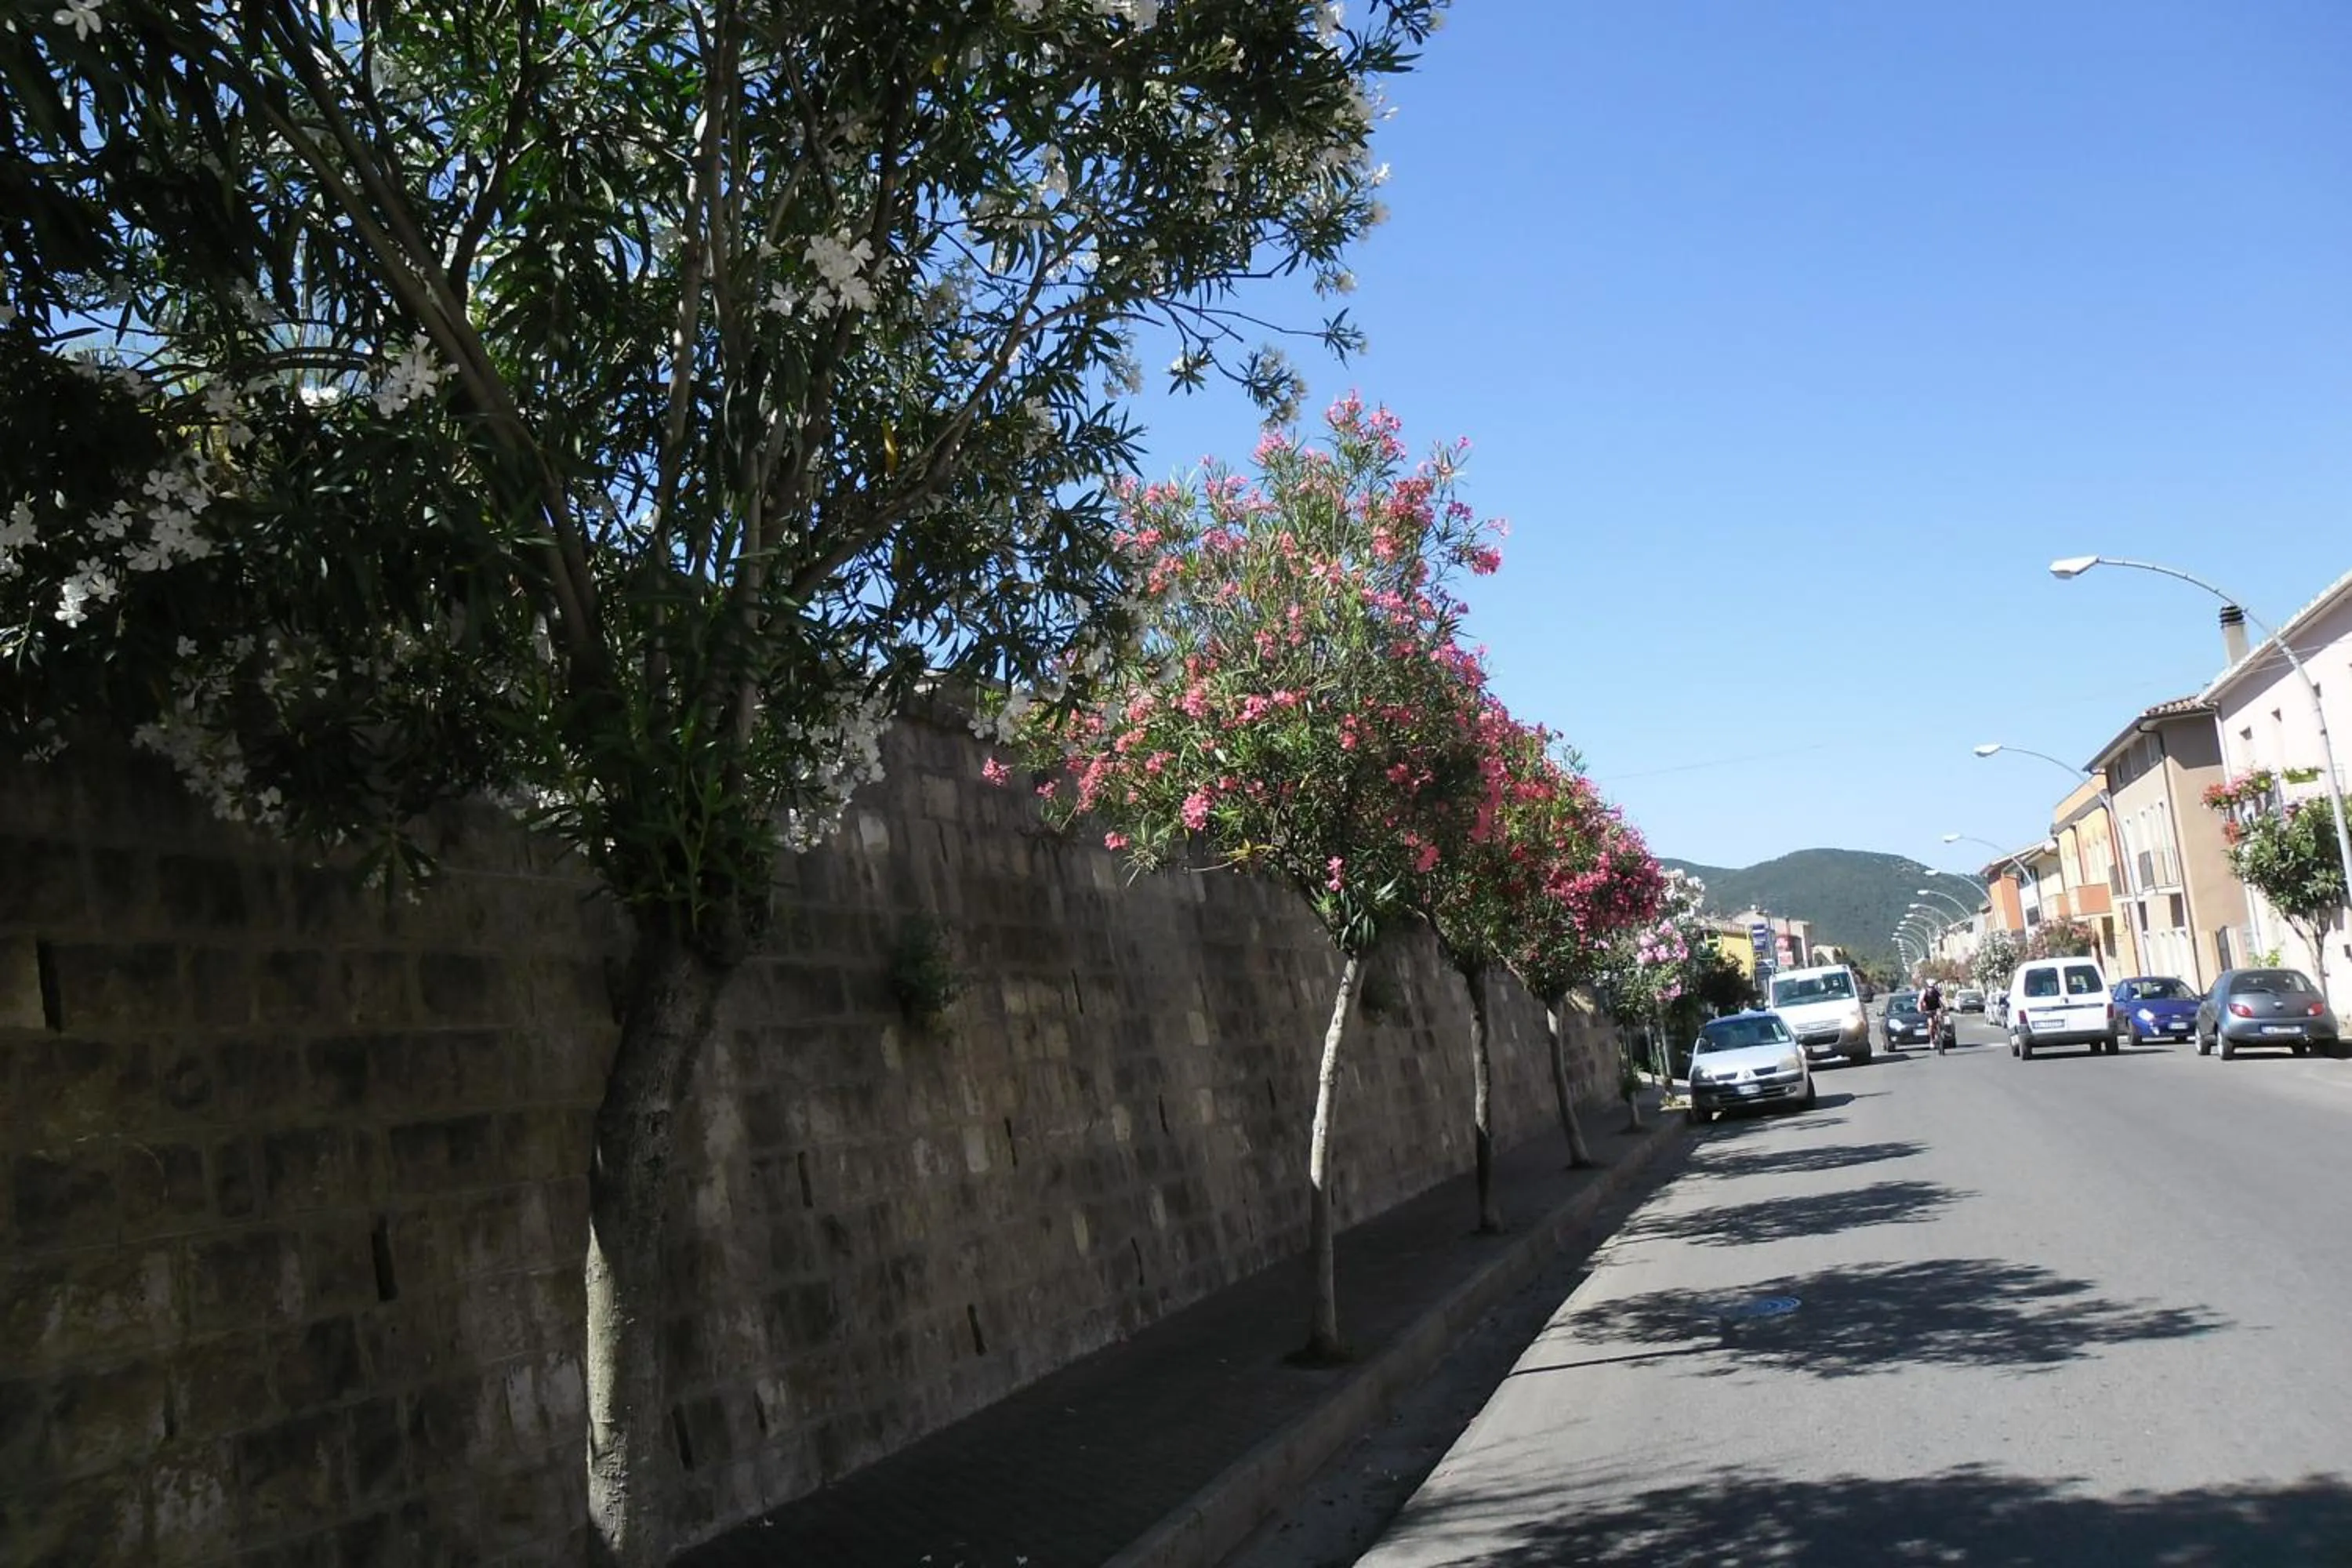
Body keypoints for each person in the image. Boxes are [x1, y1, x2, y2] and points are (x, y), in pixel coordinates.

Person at [1918, 979, 1947, 1050]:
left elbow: (1942, 998)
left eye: (1933, 987)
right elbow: (1920, 1001)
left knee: (1940, 1017)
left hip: (1937, 1008)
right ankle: (1931, 1040)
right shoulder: (1924, 992)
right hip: (1928, 1010)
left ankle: (1941, 1030)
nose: (1931, 989)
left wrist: (1946, 1005)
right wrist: (1920, 1009)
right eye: (1930, 987)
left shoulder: (1936, 991)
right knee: (1931, 1024)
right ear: (1927, 986)